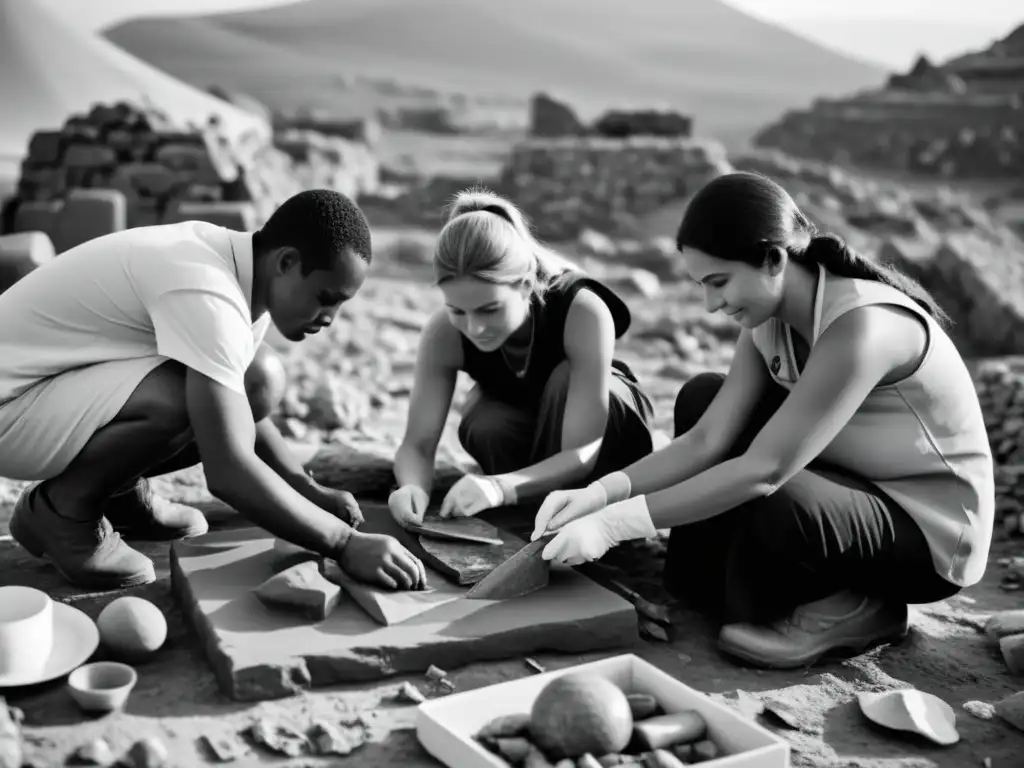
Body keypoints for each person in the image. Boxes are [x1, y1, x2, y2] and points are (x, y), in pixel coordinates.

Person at [531, 171, 994, 669]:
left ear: (773, 258)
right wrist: (600, 494)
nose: (711, 305)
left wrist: (613, 526)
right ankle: (768, 587)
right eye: (702, 286)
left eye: (719, 282)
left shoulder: (863, 325)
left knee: (779, 497)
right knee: (702, 401)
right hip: (844, 484)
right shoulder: (767, 320)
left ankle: (862, 605)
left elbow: (765, 472)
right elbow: (707, 438)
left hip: (923, 535)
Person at [0, 189, 426, 593]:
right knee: (182, 397)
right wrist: (343, 544)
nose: (331, 317)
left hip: (49, 390)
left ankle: (116, 491)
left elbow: (242, 408)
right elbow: (227, 470)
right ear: (287, 262)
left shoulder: (240, 268)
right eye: (325, 297)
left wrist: (304, 489)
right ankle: (62, 509)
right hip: (11, 408)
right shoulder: (206, 288)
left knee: (256, 380)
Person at [388, 189, 655, 530]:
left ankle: (585, 516)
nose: (475, 327)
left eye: (490, 309)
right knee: (485, 421)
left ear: (526, 286)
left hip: (599, 440)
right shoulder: (444, 332)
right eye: (458, 310)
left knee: (564, 378)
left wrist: (499, 487)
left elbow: (583, 452)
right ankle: (529, 515)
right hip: (528, 432)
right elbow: (417, 444)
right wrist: (411, 486)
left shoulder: (582, 309)